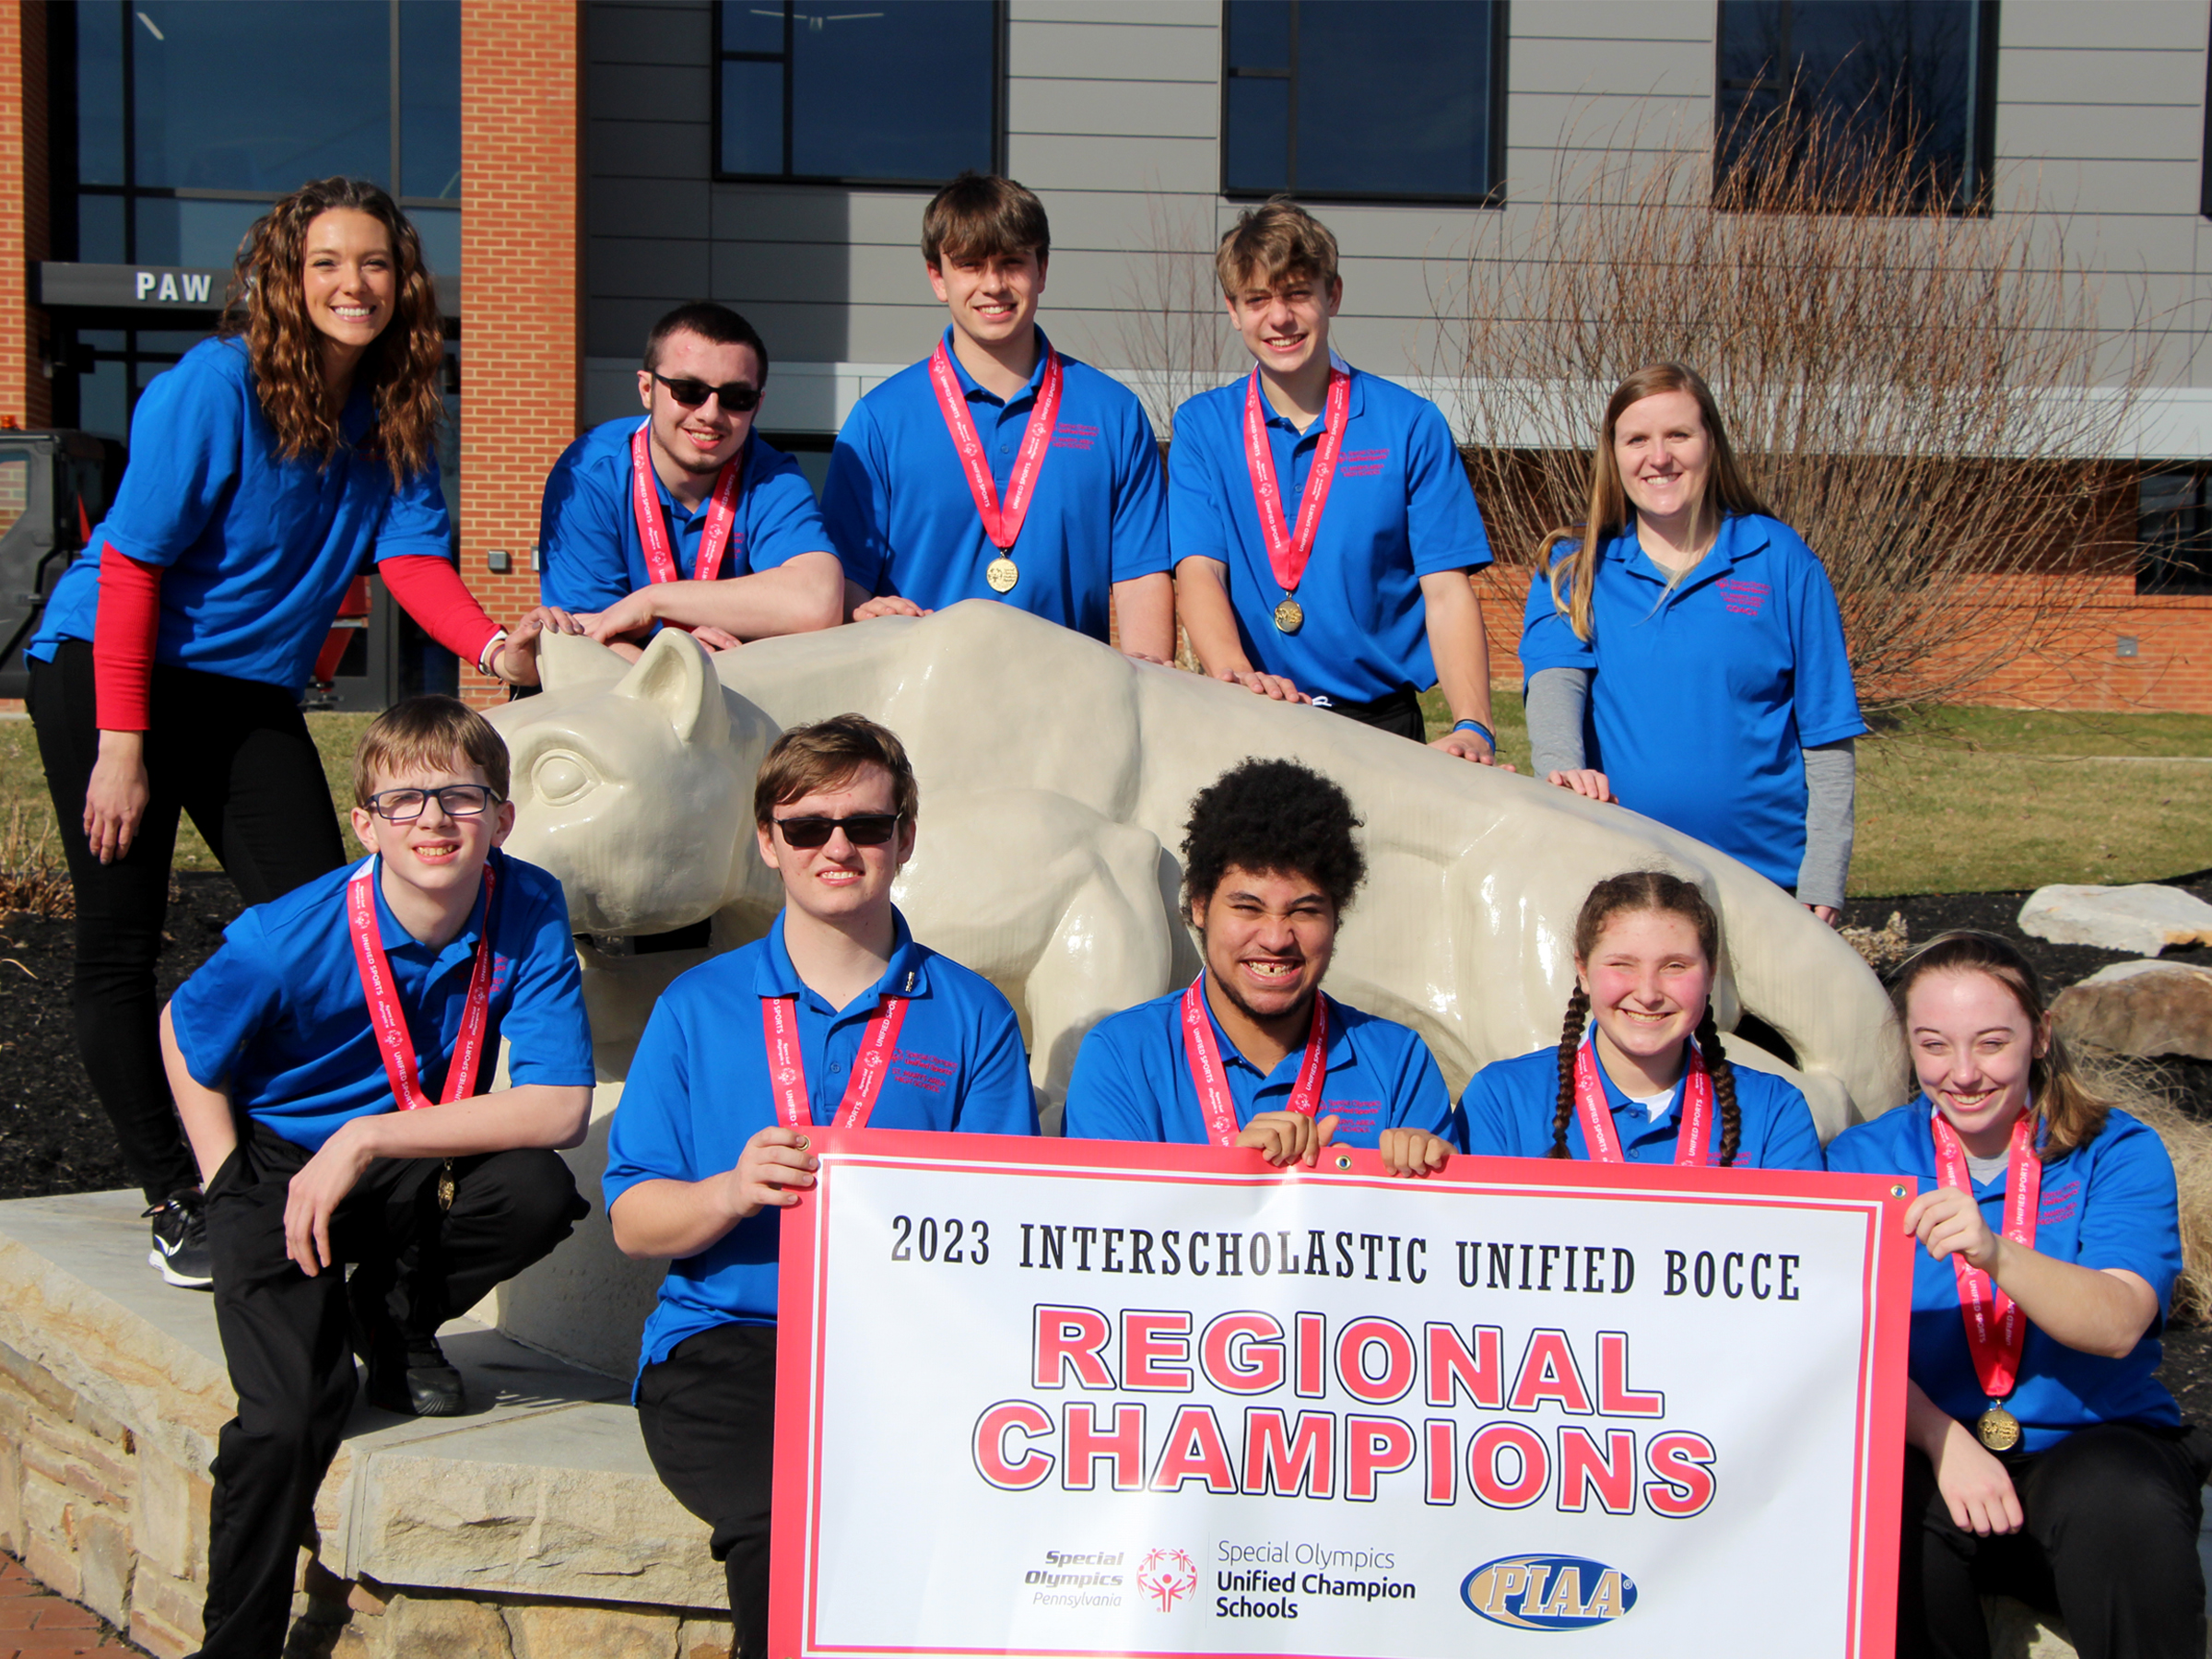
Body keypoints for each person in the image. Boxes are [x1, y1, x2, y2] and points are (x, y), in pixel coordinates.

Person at [25, 176, 550, 1289]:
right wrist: (124, 745)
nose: (350, 285)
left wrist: (497, 649)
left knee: (329, 916)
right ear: (284, 275)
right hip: (116, 670)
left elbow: (409, 562)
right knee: (121, 937)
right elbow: (132, 563)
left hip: (246, 691)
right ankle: (180, 1196)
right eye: (326, 263)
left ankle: (307, 1157)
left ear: (400, 284)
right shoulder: (211, 389)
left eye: (372, 264)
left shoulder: (400, 408)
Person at [157, 696, 594, 1659]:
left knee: (534, 1191)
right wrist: (229, 1178)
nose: (435, 821)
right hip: (279, 1164)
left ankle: (390, 1323)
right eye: (405, 801)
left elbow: (560, 1106)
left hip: (400, 1145)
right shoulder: (288, 936)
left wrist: (363, 1138)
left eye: (463, 798)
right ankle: (236, 1644)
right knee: (288, 1420)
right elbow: (184, 1037)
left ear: (505, 819)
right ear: (366, 825)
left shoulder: (527, 903)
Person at [605, 712, 1037, 1659]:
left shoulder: (971, 1015)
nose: (837, 847)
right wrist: (727, 1191)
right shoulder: (697, 1006)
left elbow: (1003, 1226)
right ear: (769, 843)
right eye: (807, 828)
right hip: (730, 1346)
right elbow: (635, 1223)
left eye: (866, 826)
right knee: (785, 1524)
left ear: (905, 838)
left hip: (910, 1353)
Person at [1828, 931, 2209, 1659]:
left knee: (2119, 1502)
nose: (1963, 1073)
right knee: (1879, 1513)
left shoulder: (2114, 1150)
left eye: (1992, 1043)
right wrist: (1942, 1442)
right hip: (1932, 1450)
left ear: (2040, 1036)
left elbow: (2119, 1323)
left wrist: (1996, 1253)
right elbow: (1845, 1339)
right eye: (1935, 1045)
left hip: (2092, 1445)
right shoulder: (1864, 1159)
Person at [1519, 362, 1865, 922]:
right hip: (1622, 882)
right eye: (1637, 439)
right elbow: (1555, 688)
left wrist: (1822, 880)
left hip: (1764, 883)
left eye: (1678, 435)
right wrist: (1563, 775)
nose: (1659, 457)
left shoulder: (1780, 559)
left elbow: (1827, 736)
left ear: (1711, 444)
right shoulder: (1573, 567)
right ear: (1615, 455)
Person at [1168, 200, 1502, 762]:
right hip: (1257, 712)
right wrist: (1239, 678)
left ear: (1333, 295)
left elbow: (1445, 592)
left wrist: (1474, 723)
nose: (1279, 317)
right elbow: (1199, 571)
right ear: (1233, 309)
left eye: (1297, 293)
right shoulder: (1202, 426)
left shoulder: (1410, 424)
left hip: (1381, 728)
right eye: (1258, 300)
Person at [822, 172, 1172, 659]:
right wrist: (863, 616)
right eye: (970, 265)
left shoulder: (1113, 414)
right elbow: (848, 590)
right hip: (918, 714)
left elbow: (1140, 580)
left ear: (1042, 270)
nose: (994, 285)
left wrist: (1146, 700)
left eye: (1012, 262)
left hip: (1068, 711)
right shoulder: (879, 421)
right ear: (937, 278)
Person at [1063, 757, 1461, 1172]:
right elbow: (1111, 1230)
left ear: (1336, 917)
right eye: (1248, 908)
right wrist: (1233, 1177)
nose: (1275, 938)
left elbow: (1443, 1231)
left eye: (1304, 911)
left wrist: (1437, 1188)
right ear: (1199, 906)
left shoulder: (1398, 1060)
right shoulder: (1122, 1055)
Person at [536, 301, 845, 659]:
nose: (711, 414)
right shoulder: (588, 474)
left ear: (757, 405)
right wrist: (678, 666)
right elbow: (585, 637)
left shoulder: (772, 477)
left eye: (736, 398)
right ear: (647, 389)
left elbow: (818, 602)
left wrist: (653, 601)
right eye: (688, 390)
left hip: (738, 698)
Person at [1460, 870, 1823, 1169]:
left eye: (1675, 966)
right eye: (1622, 965)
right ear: (1583, 971)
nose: (1648, 994)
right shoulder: (1501, 1098)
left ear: (1711, 975)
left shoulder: (1774, 1110)